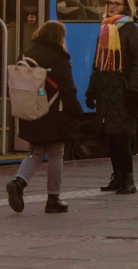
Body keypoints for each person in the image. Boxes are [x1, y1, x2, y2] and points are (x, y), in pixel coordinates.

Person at [6, 21, 83, 214]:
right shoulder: (59, 57)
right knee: (56, 154)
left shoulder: (27, 52)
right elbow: (68, 88)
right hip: (53, 112)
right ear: (59, 38)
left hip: (31, 110)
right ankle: (53, 199)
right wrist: (77, 112)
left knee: (36, 152)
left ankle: (18, 182)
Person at [85, 0, 138, 195]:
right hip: (105, 88)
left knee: (122, 136)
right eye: (110, 2)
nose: (112, 6)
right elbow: (98, 62)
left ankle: (129, 179)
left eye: (117, 4)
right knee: (110, 135)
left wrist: (133, 88)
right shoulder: (106, 28)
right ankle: (117, 177)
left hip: (123, 88)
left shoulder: (131, 29)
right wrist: (91, 90)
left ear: (126, 7)